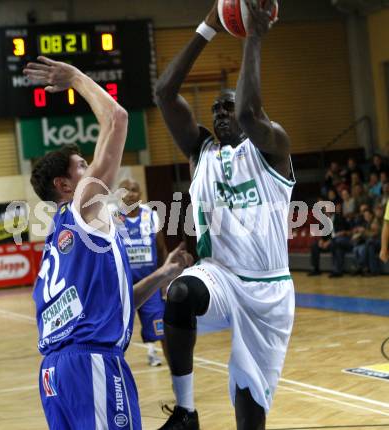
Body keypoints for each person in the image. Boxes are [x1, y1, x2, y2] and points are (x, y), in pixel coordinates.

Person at [24, 57, 193, 430]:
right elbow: (117, 118)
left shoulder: (57, 240)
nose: (93, 170)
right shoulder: (84, 206)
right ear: (64, 186)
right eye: (82, 166)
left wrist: (164, 274)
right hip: (91, 365)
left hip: (54, 376)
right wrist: (77, 78)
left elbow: (112, 305)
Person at [155, 1, 295, 429]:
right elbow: (164, 92)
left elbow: (251, 113)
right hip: (220, 276)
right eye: (215, 109)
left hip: (269, 291)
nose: (221, 114)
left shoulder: (272, 148)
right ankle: (186, 411)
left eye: (227, 107)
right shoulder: (203, 151)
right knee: (179, 295)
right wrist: (208, 27)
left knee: (250, 411)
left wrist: (255, 34)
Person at [114, 178, 169, 367]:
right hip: (122, 282)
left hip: (150, 280)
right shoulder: (113, 218)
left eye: (134, 189)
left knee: (157, 324)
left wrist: (164, 281)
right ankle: (116, 360)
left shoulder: (151, 216)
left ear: (141, 195)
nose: (130, 193)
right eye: (125, 190)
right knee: (117, 325)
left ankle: (155, 354)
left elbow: (161, 250)